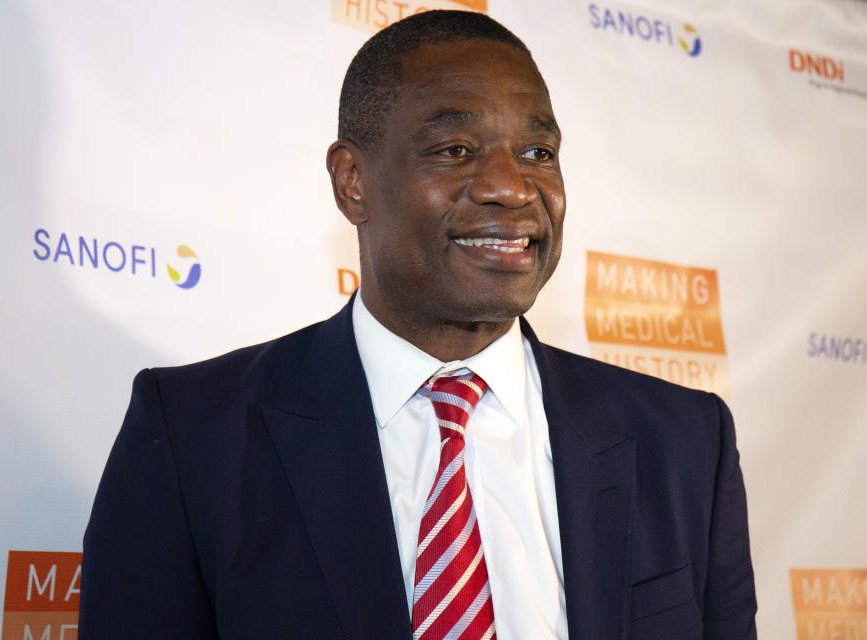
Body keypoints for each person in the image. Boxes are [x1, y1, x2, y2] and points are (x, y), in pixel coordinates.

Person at [79, 10, 756, 639]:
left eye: (537, 152)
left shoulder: (686, 441)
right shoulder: (193, 434)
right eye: (456, 150)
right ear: (353, 182)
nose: (510, 186)